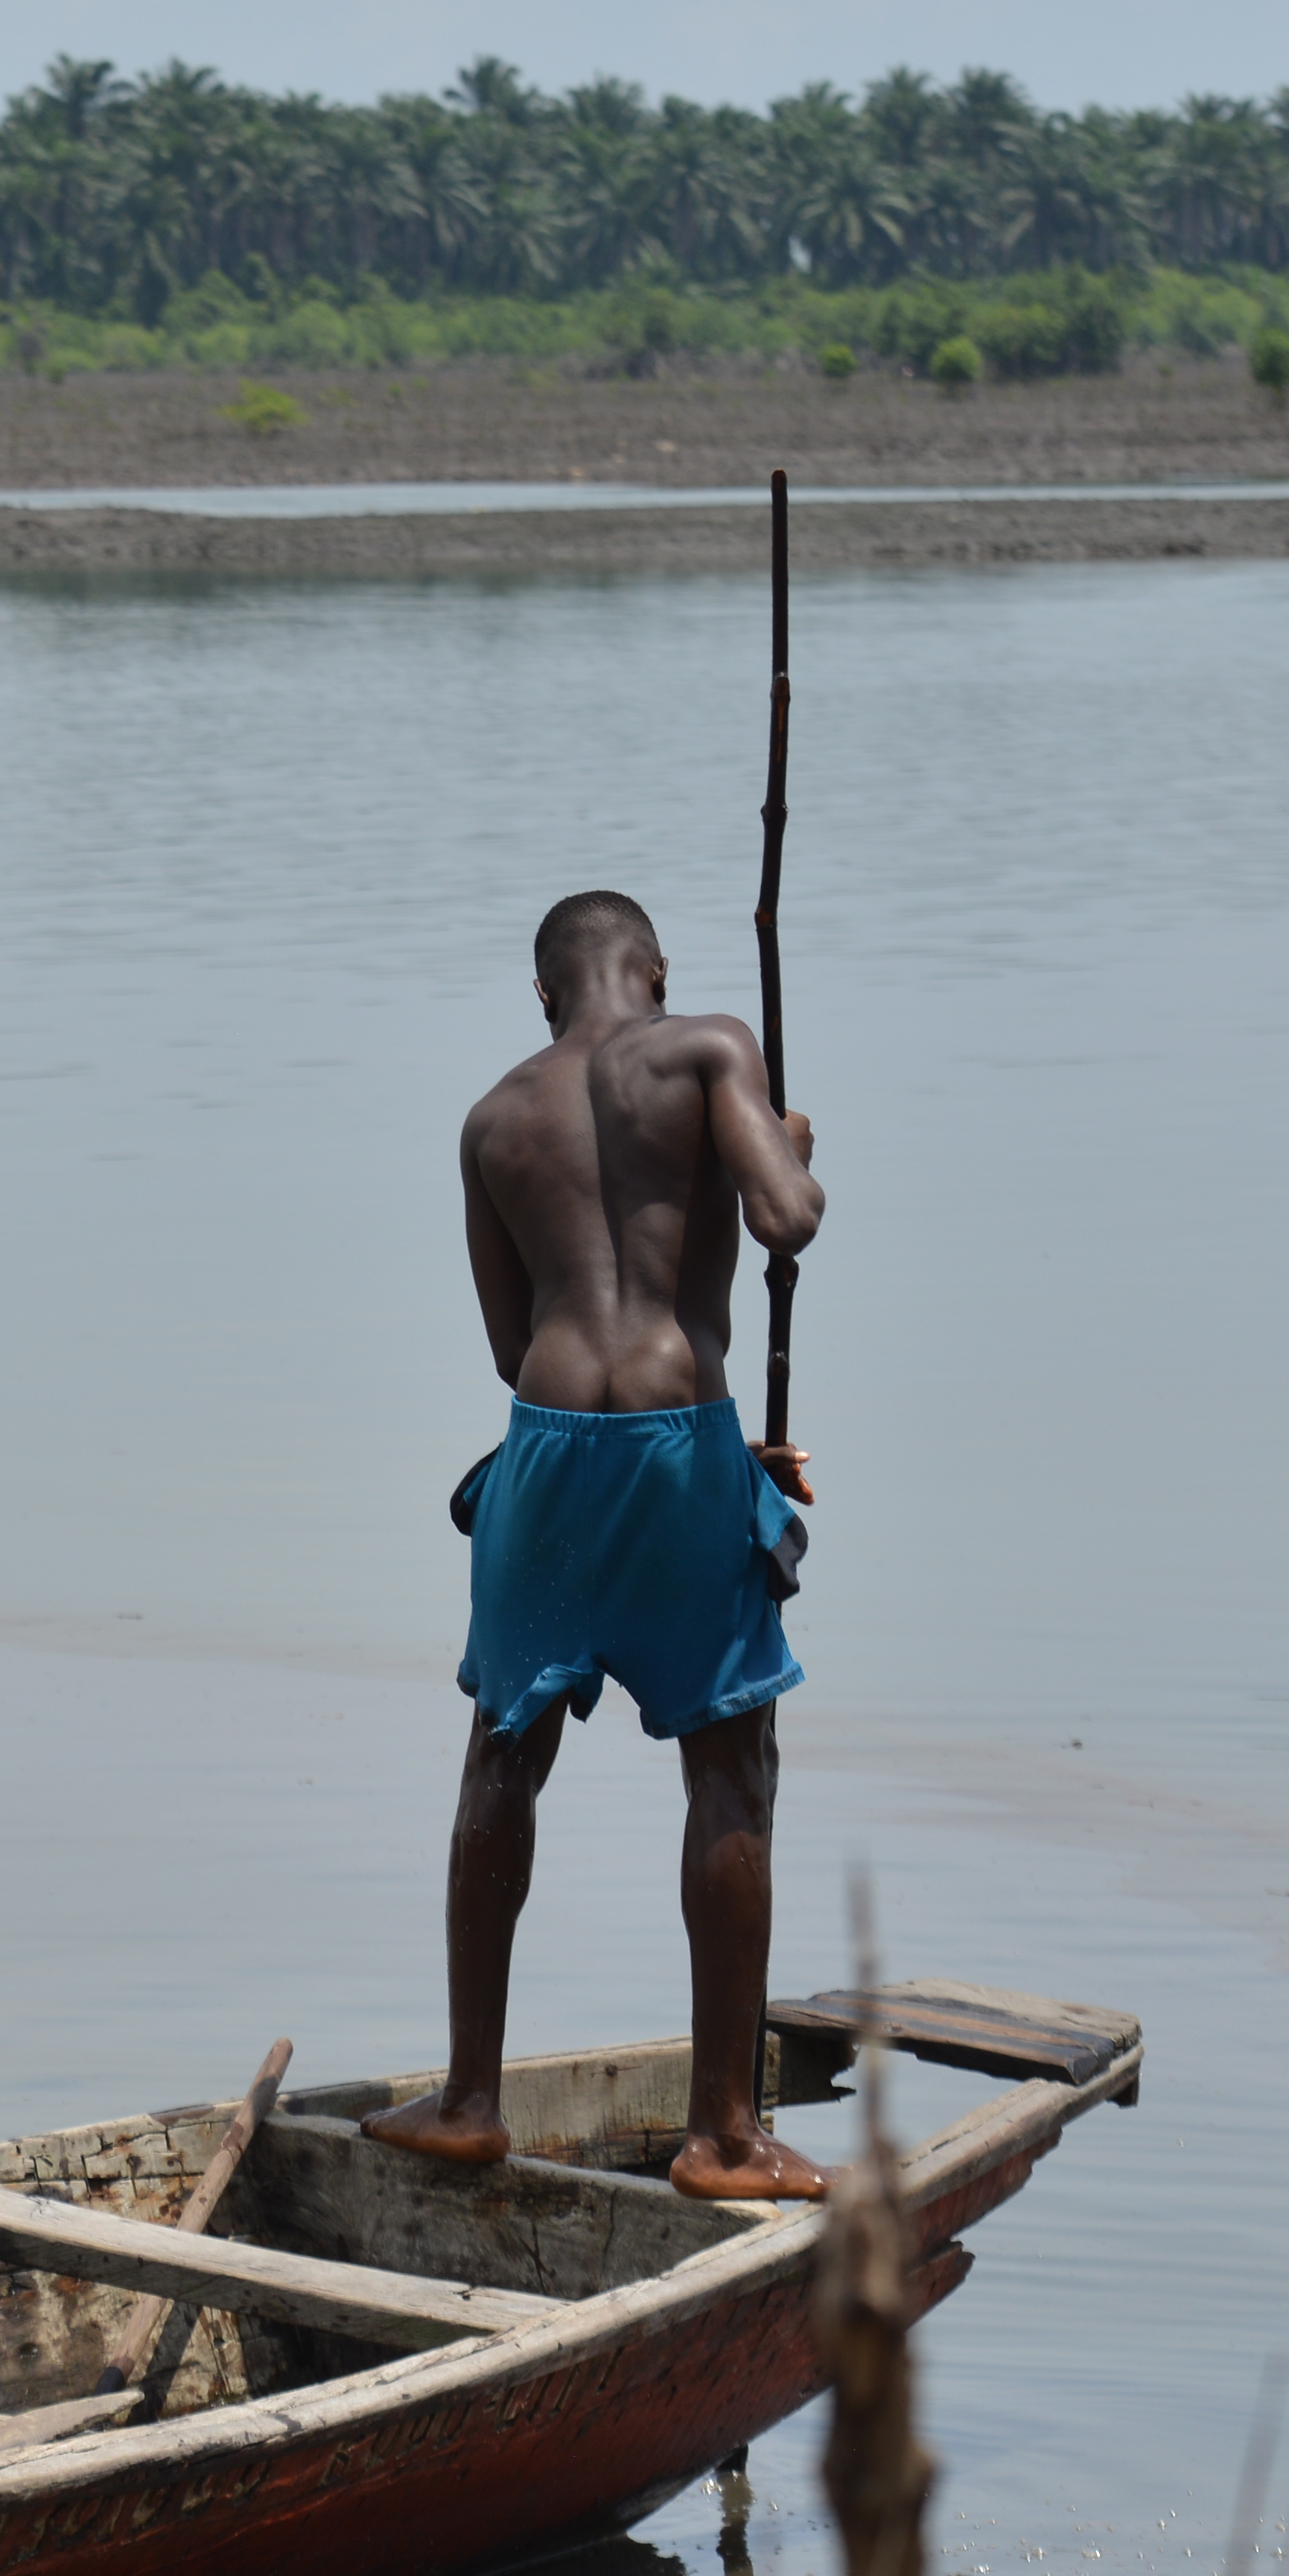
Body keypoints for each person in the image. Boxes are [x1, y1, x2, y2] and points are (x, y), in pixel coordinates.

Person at [363, 889, 833, 2202]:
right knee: (731, 1774)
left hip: (547, 1449)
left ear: (545, 996)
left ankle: (467, 2098)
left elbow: (515, 1349)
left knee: (503, 1755)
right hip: (682, 1435)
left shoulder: (494, 1120)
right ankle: (727, 2137)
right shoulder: (704, 1048)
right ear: (656, 974)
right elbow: (787, 1220)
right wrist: (782, 1149)